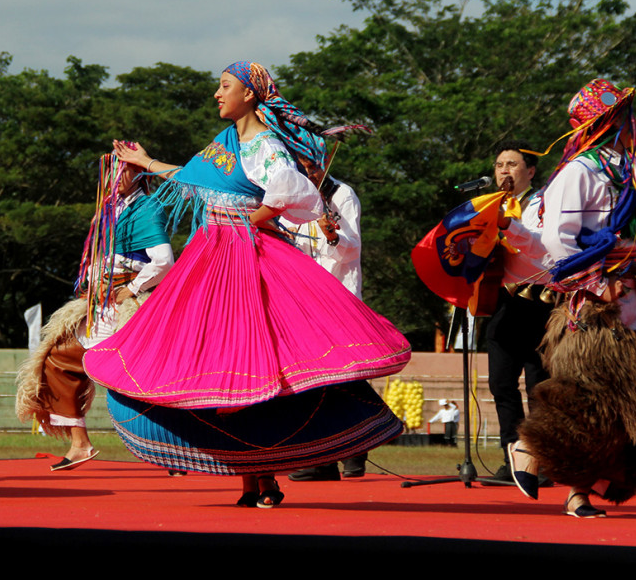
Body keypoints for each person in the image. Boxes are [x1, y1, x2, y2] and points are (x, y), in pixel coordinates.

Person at [84, 61, 411, 508]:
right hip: (213, 255)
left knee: (253, 361)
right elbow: (195, 180)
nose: (217, 94)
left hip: (245, 256)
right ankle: (251, 480)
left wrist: (244, 221)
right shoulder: (227, 142)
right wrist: (144, 162)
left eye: (225, 87)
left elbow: (289, 194)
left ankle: (265, 475)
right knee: (217, 360)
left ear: (250, 95)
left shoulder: (264, 145)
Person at [504, 79, 636, 518]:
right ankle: (531, 449)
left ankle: (579, 491)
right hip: (592, 310)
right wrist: (596, 284)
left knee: (626, 406)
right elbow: (558, 240)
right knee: (587, 400)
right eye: (627, 115)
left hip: (634, 301)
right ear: (609, 120)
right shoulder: (580, 172)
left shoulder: (627, 169)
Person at [17, 153, 174, 470]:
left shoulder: (146, 209)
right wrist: (90, 284)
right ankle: (80, 444)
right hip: (102, 303)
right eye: (111, 170)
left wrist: (130, 288)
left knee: (142, 376)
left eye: (122, 170)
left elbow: (164, 261)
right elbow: (100, 258)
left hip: (130, 304)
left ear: (138, 174)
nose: (113, 177)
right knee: (59, 359)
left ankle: (173, 446)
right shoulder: (111, 211)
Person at [286, 161, 369, 480]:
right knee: (315, 377)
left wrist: (332, 235)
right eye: (302, 167)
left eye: (313, 166)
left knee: (346, 376)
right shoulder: (292, 198)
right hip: (304, 298)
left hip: (339, 297)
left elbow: (350, 250)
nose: (309, 173)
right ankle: (323, 456)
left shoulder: (341, 195)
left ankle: (354, 449)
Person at [485, 141, 553, 481]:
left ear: (530, 171)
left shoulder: (543, 203)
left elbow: (541, 246)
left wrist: (507, 225)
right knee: (500, 383)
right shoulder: (488, 204)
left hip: (539, 301)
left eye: (512, 164)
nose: (504, 171)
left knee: (538, 385)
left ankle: (540, 460)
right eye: (499, 165)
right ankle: (513, 457)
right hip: (501, 301)